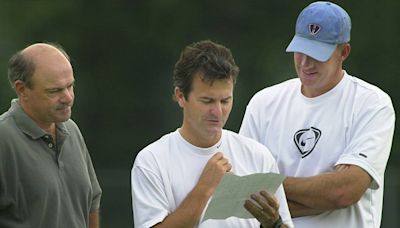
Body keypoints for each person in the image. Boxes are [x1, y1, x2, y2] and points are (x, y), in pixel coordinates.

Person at [239, 2, 395, 228]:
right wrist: (323, 192)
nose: (305, 63)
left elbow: (344, 192)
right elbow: (241, 196)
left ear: (344, 52)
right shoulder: (264, 103)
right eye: (300, 51)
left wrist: (270, 187)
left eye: (316, 53)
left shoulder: (371, 103)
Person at [131, 40, 294, 228]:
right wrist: (204, 188)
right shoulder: (152, 161)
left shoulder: (258, 156)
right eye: (207, 101)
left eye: (225, 101)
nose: (217, 112)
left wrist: (274, 223)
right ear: (180, 96)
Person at [0, 43, 102, 228]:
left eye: (70, 86)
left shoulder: (71, 130)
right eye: (54, 91)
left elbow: (91, 203)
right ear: (22, 89)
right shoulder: (4, 139)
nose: (68, 97)